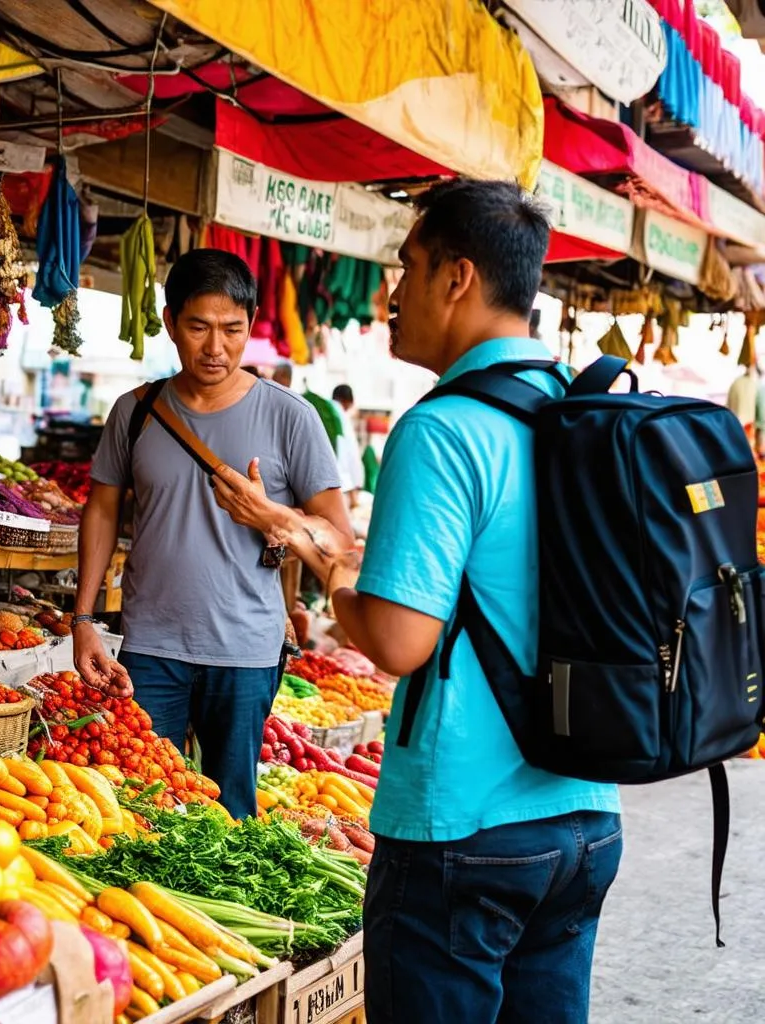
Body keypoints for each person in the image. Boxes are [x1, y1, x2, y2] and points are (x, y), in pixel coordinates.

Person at [211, 180, 622, 1022]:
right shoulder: (580, 408)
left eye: (409, 268)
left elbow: (399, 641)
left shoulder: (444, 428)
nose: (393, 296)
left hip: (464, 831)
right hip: (584, 817)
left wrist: (336, 579)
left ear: (457, 278)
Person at [72, 249, 350, 819]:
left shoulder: (289, 416)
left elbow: (339, 540)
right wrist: (82, 620)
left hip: (246, 650)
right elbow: (100, 511)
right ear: (171, 322)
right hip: (150, 648)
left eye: (232, 329)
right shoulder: (136, 411)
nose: (215, 347)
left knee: (231, 815)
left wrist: (272, 516)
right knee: (142, 804)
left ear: (250, 327)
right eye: (198, 327)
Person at [331, 384, 364, 507]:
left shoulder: (323, 409)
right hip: (339, 486)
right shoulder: (340, 415)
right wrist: (354, 491)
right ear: (349, 402)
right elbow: (351, 455)